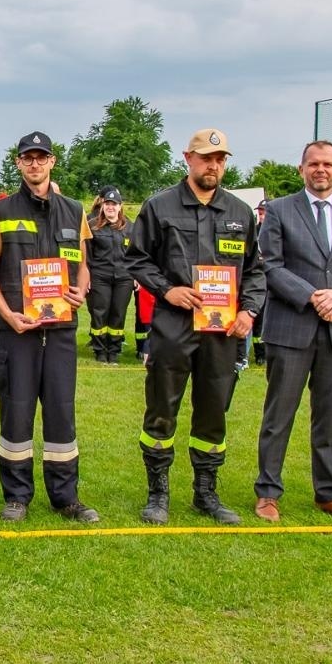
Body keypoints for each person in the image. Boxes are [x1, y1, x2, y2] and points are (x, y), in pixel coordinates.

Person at [125, 128, 266, 526]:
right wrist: (168, 291)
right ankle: (158, 492)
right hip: (174, 328)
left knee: (213, 413)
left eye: (221, 159)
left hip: (222, 334)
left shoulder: (240, 213)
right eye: (206, 158)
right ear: (188, 158)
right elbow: (136, 259)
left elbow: (256, 271)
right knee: (161, 411)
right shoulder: (160, 206)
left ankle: (206, 492)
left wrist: (249, 311)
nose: (214, 165)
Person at [0, 131, 99, 523]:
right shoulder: (2, 211)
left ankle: (66, 497)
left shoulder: (74, 210)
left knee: (62, 413)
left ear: (52, 162)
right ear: (18, 164)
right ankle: (16, 496)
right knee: (17, 412)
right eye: (27, 158)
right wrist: (7, 315)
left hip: (61, 332)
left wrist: (80, 291)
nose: (34, 164)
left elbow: (83, 265)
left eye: (41, 157)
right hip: (18, 332)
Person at [253, 140, 332, 523]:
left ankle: (328, 494)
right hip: (291, 328)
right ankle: (268, 493)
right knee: (279, 415)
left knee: (329, 417)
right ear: (301, 170)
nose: (320, 170)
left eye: (327, 164)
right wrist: (313, 298)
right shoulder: (278, 210)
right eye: (313, 164)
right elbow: (270, 266)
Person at [85, 188, 131, 364]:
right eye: (108, 204)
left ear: (120, 207)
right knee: (100, 313)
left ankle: (114, 350)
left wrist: (135, 276)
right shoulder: (92, 226)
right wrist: (87, 275)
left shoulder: (130, 227)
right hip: (100, 276)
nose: (111, 207)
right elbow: (87, 254)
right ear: (102, 205)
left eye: (114, 204)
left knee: (118, 314)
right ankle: (100, 351)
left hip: (124, 277)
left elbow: (136, 255)